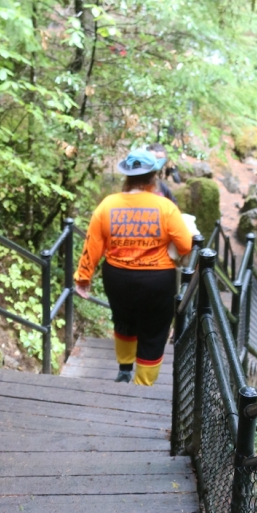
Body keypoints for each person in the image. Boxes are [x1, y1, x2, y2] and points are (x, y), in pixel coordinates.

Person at [75, 149, 193, 385]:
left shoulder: (108, 205)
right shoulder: (165, 207)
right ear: (154, 177)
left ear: (127, 177)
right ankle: (142, 386)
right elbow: (186, 244)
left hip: (118, 278)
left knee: (124, 320)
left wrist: (84, 276)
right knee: (154, 331)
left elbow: (93, 244)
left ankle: (124, 369)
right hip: (157, 280)